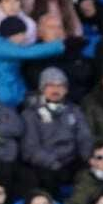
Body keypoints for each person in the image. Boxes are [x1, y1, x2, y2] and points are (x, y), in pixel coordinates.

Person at [21, 67, 93, 196]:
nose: (56, 90)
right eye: (51, 85)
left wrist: (87, 158)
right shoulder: (30, 114)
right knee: (43, 176)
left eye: (60, 86)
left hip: (71, 161)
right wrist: (53, 164)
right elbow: (30, 149)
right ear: (42, 88)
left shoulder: (74, 110)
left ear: (66, 90)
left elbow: (84, 137)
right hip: (46, 164)